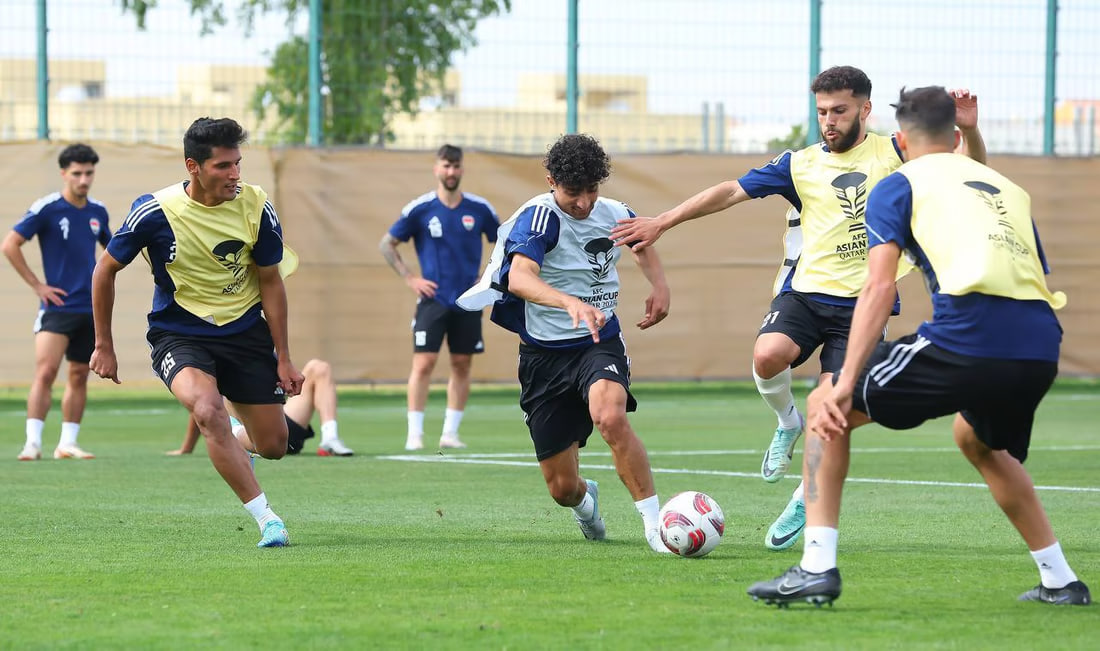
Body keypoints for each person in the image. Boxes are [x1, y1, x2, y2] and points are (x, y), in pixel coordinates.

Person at [610, 66, 986, 551]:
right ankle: (786, 421)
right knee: (767, 355)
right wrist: (664, 220)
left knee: (833, 409)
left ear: (865, 110)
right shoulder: (800, 163)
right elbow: (729, 190)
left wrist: (970, 128)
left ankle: (804, 495)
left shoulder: (896, 150)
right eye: (822, 111)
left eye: (840, 110)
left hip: (862, 304)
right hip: (806, 293)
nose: (829, 120)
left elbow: (968, 169)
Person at [746, 85, 1091, 607]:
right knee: (978, 442)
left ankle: (816, 568)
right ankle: (1060, 579)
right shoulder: (1005, 187)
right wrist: (973, 133)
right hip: (1041, 344)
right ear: (955, 135)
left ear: (901, 139)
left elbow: (878, 288)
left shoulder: (898, 183)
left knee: (824, 403)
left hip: (968, 336)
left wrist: (844, 383)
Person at [89, 117, 304, 548]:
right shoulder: (155, 211)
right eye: (224, 166)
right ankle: (268, 520)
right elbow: (104, 271)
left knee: (276, 444)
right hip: (179, 334)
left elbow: (271, 281)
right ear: (194, 166)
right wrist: (103, 345)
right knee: (208, 411)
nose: (235, 174)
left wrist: (283, 355)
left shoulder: (257, 206)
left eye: (238, 164)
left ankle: (240, 449)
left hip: (245, 333)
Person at [458, 133, 674, 553]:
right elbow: (519, 278)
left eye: (592, 190)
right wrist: (567, 302)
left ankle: (655, 527)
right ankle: (586, 503)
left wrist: (660, 287)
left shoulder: (613, 212)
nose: (584, 202)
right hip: (544, 356)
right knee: (562, 489)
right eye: (573, 192)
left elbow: (642, 243)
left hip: (599, 342)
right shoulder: (539, 219)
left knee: (609, 418)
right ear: (551, 181)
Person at [379, 144, 499, 451]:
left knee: (461, 363)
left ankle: (450, 433)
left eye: (456, 166)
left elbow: (505, 244)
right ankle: (415, 435)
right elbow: (387, 244)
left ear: (462, 169)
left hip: (467, 300)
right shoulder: (420, 209)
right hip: (433, 300)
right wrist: (411, 278)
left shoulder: (479, 209)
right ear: (436, 169)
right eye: (446, 166)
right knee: (424, 364)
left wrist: (487, 276)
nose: (451, 171)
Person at [4, 144, 111, 461]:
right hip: (56, 309)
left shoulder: (97, 211)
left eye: (89, 173)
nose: (83, 179)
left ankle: (67, 443)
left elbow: (113, 251)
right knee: (46, 372)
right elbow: (10, 245)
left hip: (88, 309)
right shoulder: (47, 207)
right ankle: (32, 443)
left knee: (79, 375)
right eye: (77, 173)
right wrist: (38, 285)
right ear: (64, 173)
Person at [168, 358, 354, 457]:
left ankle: (330, 438)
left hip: (278, 423)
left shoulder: (247, 341)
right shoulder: (206, 360)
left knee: (319, 367)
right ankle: (239, 437)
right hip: (248, 435)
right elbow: (202, 407)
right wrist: (186, 448)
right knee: (210, 398)